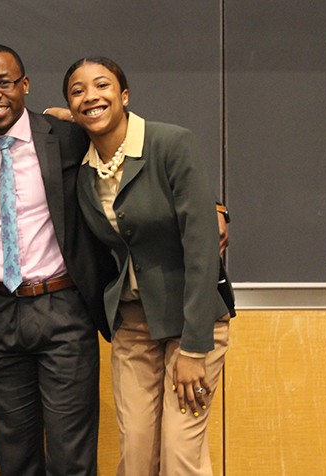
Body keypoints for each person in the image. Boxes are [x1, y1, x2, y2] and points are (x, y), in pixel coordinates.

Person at [63, 56, 236, 476]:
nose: (91, 96)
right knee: (137, 454)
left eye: (102, 86)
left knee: (181, 456)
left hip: (191, 323)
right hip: (133, 326)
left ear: (124, 95)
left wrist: (194, 347)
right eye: (78, 90)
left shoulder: (170, 144)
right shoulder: (84, 169)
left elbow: (201, 248)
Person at [0, 44, 116, 476]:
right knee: (15, 459)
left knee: (71, 459)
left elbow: (135, 156)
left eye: (4, 83)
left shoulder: (67, 136)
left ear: (24, 85)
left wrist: (215, 206)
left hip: (62, 310)